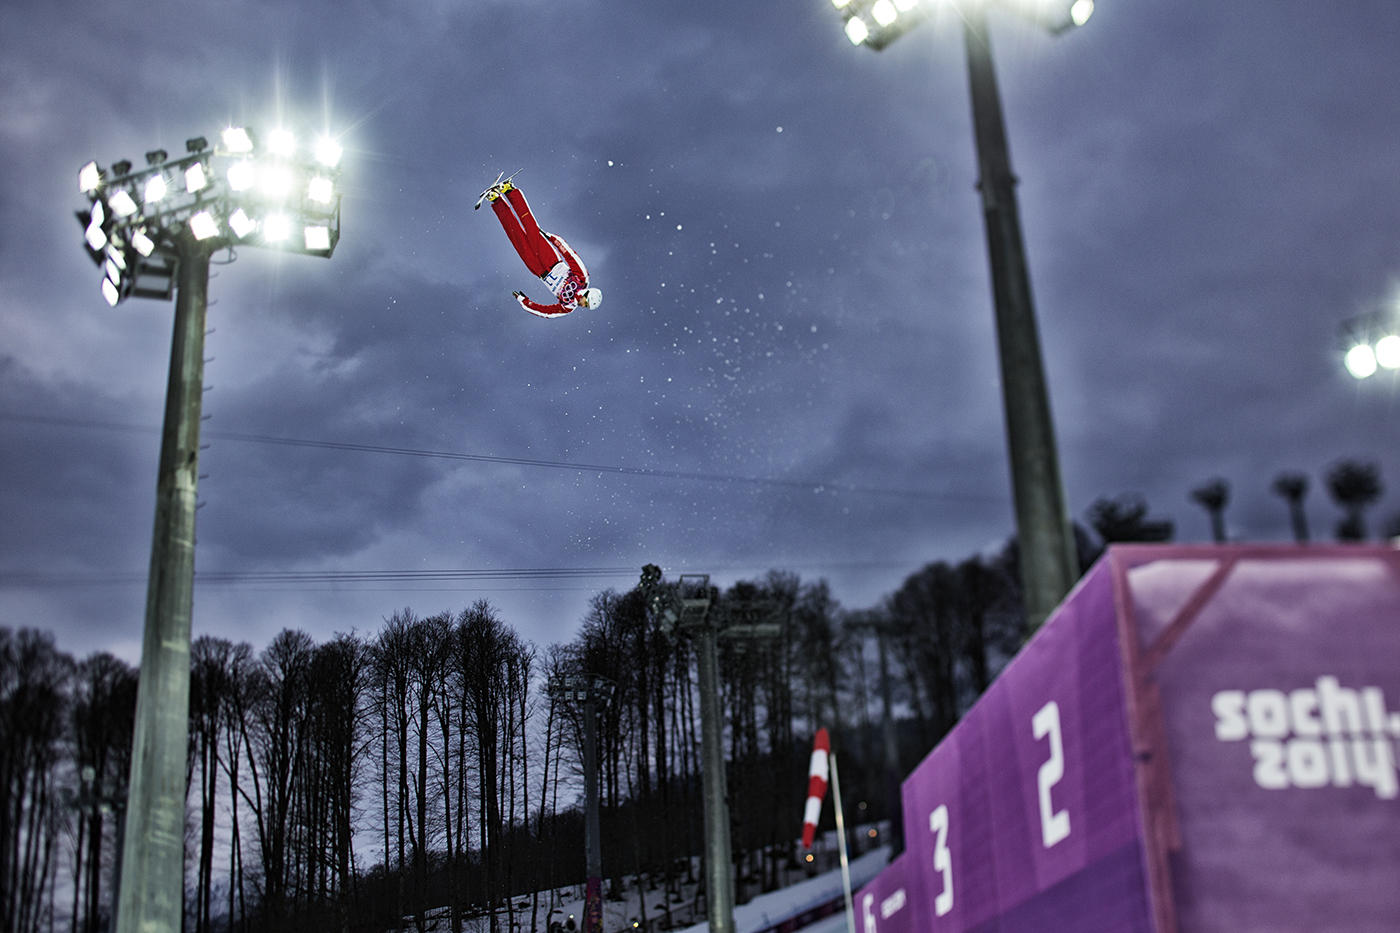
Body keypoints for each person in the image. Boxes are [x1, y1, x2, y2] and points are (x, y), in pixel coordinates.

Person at [483, 179, 602, 318]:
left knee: (516, 237)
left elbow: (546, 312)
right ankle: (510, 191)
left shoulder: (568, 307)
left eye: (585, 306)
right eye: (585, 303)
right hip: (551, 260)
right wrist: (553, 239)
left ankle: (496, 201)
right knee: (530, 226)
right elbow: (570, 255)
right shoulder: (582, 278)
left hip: (538, 271)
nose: (582, 306)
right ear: (587, 294)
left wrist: (525, 302)